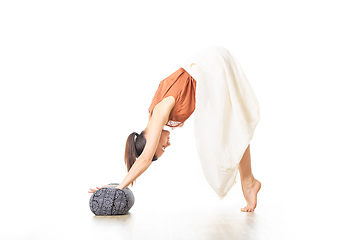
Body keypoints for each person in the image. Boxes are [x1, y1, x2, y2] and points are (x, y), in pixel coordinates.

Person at [89, 46, 261, 212]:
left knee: (225, 131)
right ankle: (249, 183)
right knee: (230, 127)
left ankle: (248, 183)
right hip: (210, 61)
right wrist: (116, 186)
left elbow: (145, 159)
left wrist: (118, 188)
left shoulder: (158, 115)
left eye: (162, 147)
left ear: (150, 142)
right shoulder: (155, 111)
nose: (167, 145)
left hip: (210, 65)